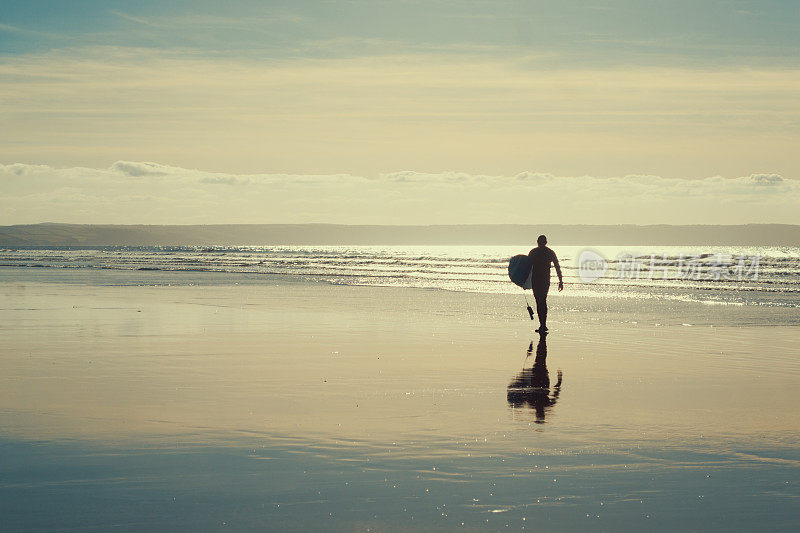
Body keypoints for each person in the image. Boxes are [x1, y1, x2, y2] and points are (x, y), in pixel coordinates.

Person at [528, 234, 563, 333]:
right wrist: (560, 281)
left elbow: (557, 266)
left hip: (541, 281)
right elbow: (527, 267)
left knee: (541, 301)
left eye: (541, 242)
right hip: (538, 280)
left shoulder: (537, 252)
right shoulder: (544, 252)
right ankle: (542, 325)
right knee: (540, 302)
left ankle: (543, 325)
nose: (541, 244)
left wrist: (560, 281)